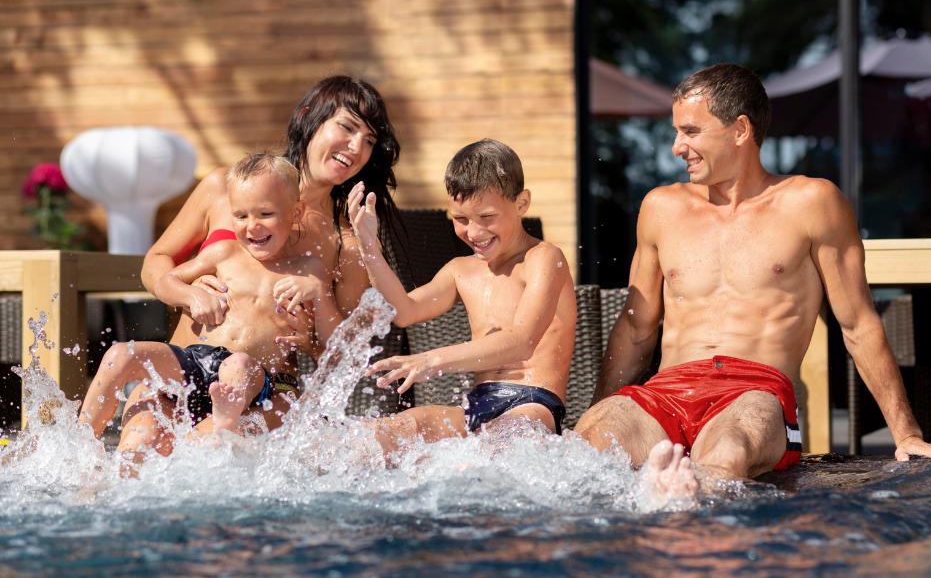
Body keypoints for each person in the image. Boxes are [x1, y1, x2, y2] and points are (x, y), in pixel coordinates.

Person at [573, 63, 931, 503]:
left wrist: (907, 434)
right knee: (589, 443)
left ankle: (685, 528)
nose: (677, 147)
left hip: (752, 392)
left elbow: (858, 323)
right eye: (676, 132)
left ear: (740, 130)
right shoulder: (661, 208)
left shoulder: (811, 202)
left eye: (690, 132)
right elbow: (636, 330)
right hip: (666, 391)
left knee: (726, 458)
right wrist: (602, 406)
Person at [119, 76, 401, 458]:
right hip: (182, 371)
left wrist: (313, 339)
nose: (356, 147)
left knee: (202, 456)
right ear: (309, 119)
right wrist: (188, 292)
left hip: (264, 392)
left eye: (369, 140)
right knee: (137, 449)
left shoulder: (345, 240)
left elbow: (346, 351)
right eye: (347, 128)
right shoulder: (225, 186)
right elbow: (156, 262)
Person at [79, 154, 342, 451]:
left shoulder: (309, 271)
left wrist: (318, 294)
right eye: (241, 216)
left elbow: (337, 341)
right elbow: (166, 280)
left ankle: (222, 426)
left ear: (295, 214)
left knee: (238, 365)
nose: (252, 226)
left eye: (265, 214)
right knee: (119, 354)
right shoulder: (223, 253)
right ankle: (79, 444)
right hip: (196, 361)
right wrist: (192, 294)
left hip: (254, 376)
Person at [347, 138, 576, 454]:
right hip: (476, 406)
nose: (474, 232)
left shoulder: (543, 258)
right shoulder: (460, 270)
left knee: (505, 442)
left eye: (487, 217)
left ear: (522, 204)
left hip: (531, 403)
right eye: (461, 219)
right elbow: (404, 310)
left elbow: (522, 341)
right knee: (395, 431)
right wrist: (369, 247)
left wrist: (433, 359)